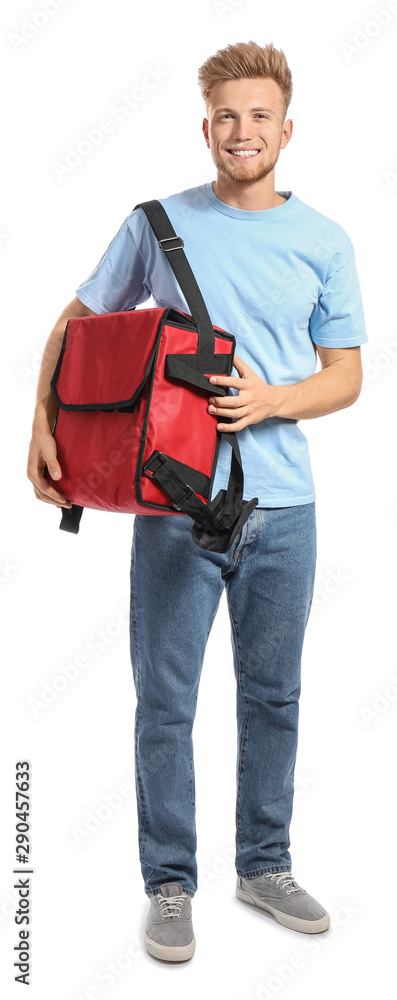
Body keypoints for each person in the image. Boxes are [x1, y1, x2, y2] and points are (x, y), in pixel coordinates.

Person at [27, 39, 368, 964]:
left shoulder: (325, 240)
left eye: (259, 115)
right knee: (165, 704)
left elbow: (346, 378)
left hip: (284, 510)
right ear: (205, 125)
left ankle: (262, 865)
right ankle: (168, 884)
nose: (242, 130)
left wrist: (270, 399)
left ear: (286, 129)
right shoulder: (156, 223)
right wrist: (40, 426)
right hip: (174, 505)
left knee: (274, 697)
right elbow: (78, 321)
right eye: (226, 115)